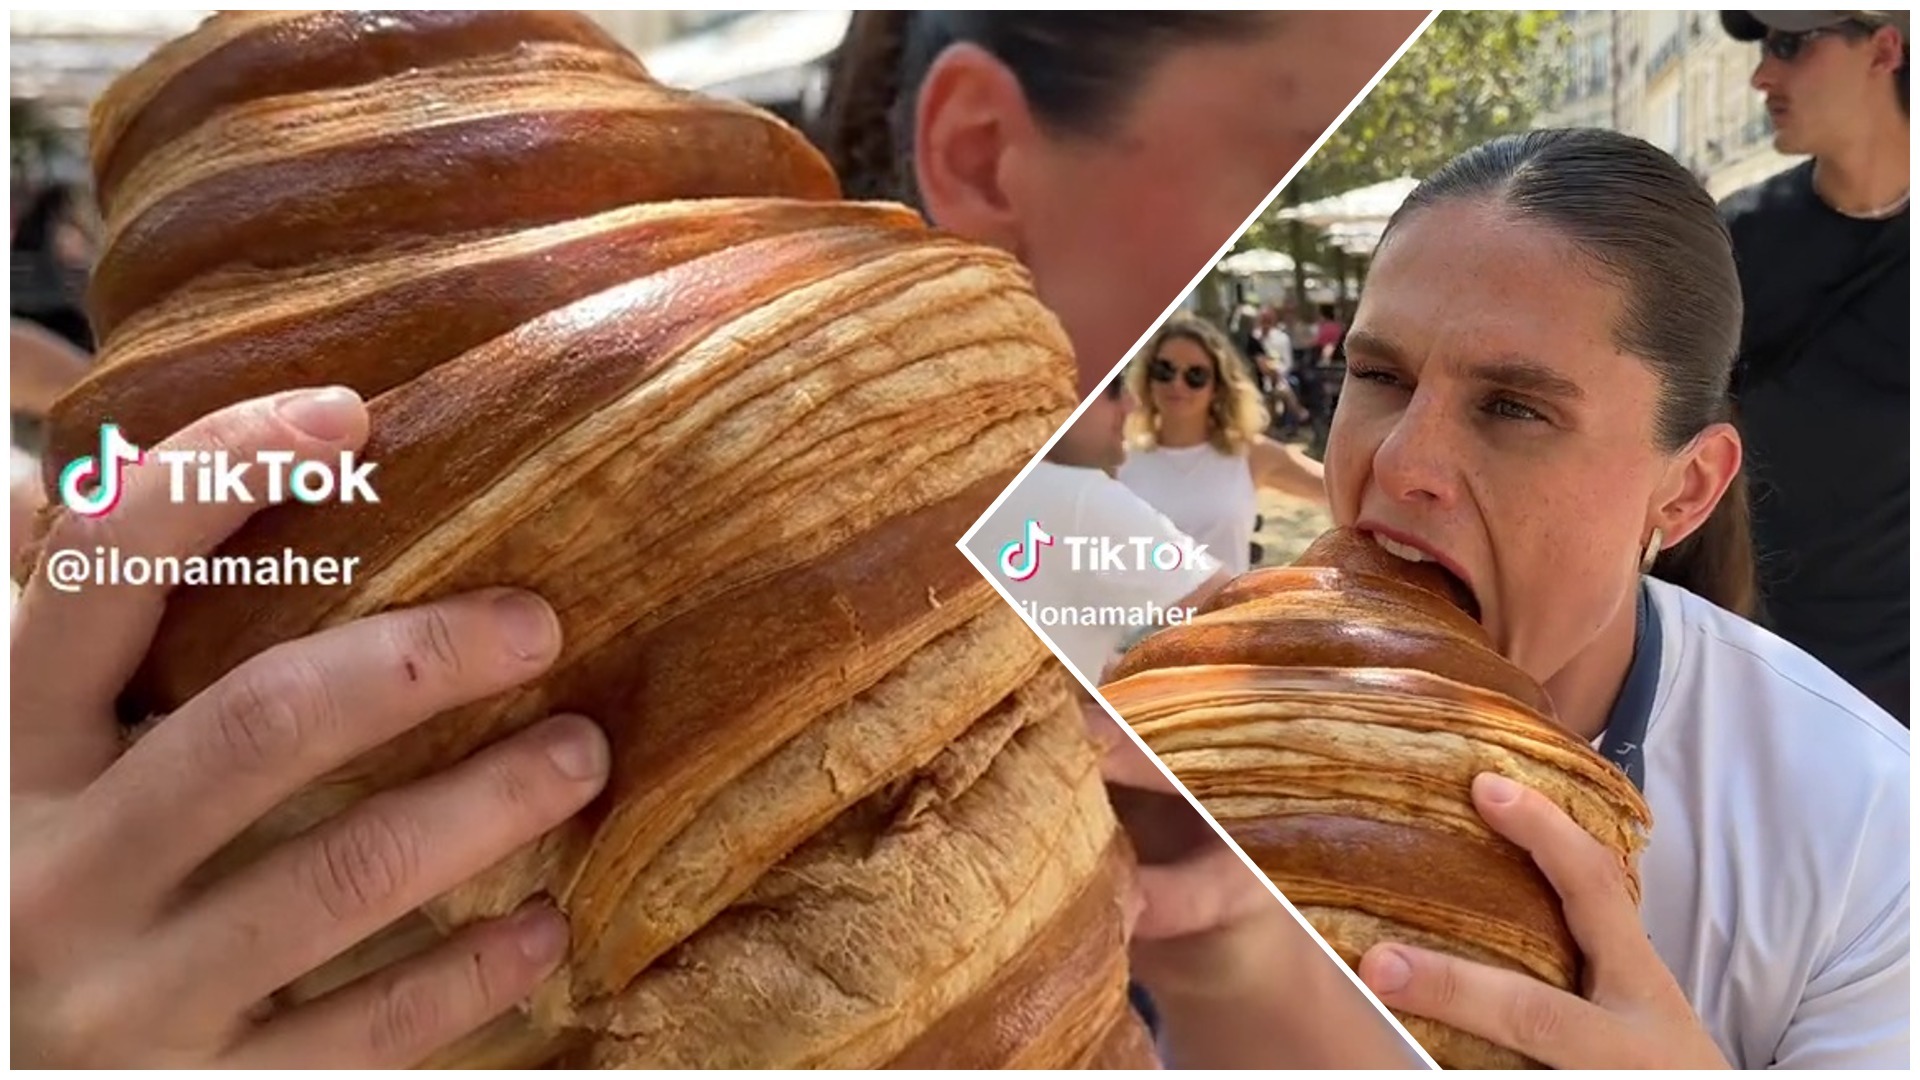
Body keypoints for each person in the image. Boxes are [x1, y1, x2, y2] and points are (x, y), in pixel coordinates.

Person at [14, 11, 1432, 1070]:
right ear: (984, 152)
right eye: (1295, 132)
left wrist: (1254, 946)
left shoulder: (1095, 562)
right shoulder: (95, 728)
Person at [1315, 129, 1907, 1069]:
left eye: (1513, 407)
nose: (1401, 463)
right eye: (1380, 376)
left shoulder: (1867, 833)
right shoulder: (1189, 715)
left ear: (1685, 490)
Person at [1716, 11, 1910, 724]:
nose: (1763, 75)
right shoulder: (1734, 240)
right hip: (1745, 669)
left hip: (1897, 692)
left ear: (1885, 48)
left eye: (1791, 45)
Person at [1116, 313, 1327, 577]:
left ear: (1217, 386)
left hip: (1224, 616)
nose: (1177, 384)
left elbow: (1339, 490)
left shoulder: (1251, 455)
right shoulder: (1118, 460)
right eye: (1164, 371)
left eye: (1195, 375)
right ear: (1147, 378)